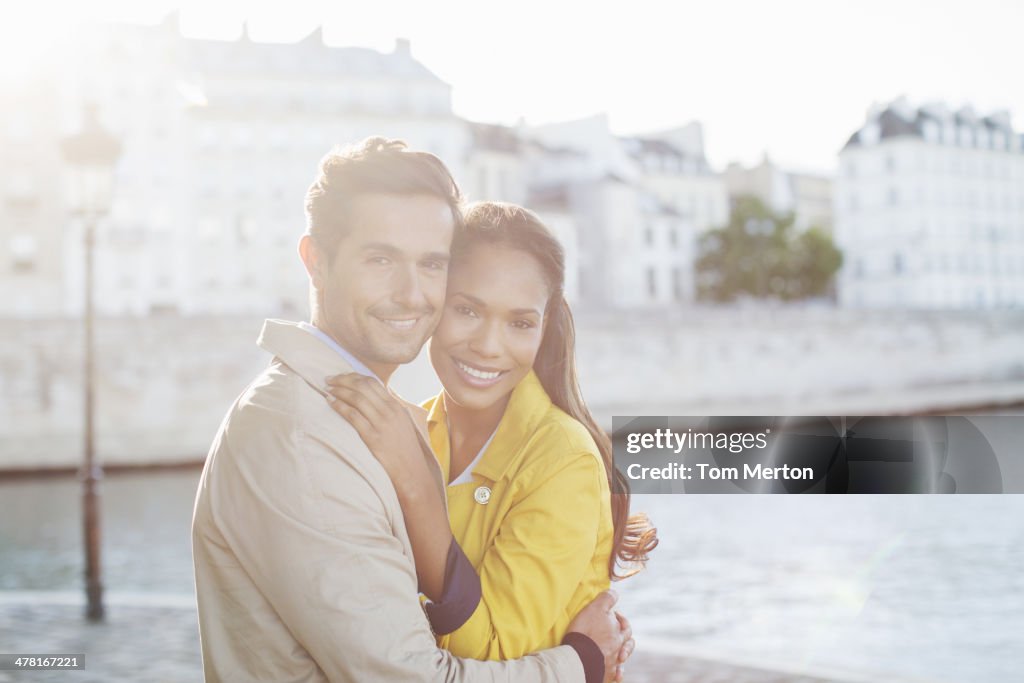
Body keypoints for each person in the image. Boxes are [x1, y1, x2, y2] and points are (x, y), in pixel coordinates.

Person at [191, 137, 633, 683]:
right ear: (315, 263)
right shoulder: (305, 436)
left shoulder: (372, 422)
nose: (411, 293)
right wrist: (583, 661)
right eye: (380, 259)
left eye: (431, 265)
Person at [326, 202, 657, 661]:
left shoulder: (563, 457)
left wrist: (417, 490)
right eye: (467, 310)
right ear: (433, 304)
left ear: (545, 328)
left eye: (520, 323)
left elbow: (491, 652)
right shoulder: (405, 429)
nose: (487, 345)